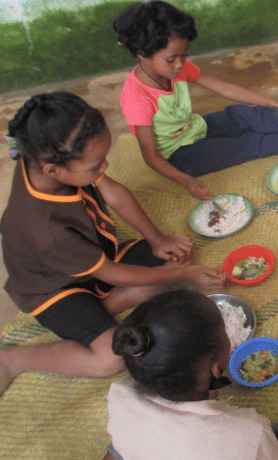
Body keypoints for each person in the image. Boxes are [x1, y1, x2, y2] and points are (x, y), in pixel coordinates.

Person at [0, 92, 225, 397]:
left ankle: (102, 307)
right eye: (96, 165)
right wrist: (183, 276)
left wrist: (156, 239)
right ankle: (12, 359)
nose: (105, 166)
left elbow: (113, 193)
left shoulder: (50, 158)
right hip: (53, 287)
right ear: (53, 169)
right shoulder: (44, 229)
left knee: (176, 258)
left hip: (92, 256)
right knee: (111, 357)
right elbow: (110, 273)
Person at [113, 1, 278, 200]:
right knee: (246, 145)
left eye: (184, 55)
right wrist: (187, 182)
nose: (180, 64)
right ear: (142, 54)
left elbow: (225, 88)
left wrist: (270, 102)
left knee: (241, 115)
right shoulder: (137, 98)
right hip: (179, 156)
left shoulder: (178, 67)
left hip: (196, 126)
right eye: (172, 59)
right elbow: (151, 157)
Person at [104, 289, 278, 460]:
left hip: (153, 446)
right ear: (216, 368)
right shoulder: (248, 432)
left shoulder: (120, 392)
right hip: (230, 446)